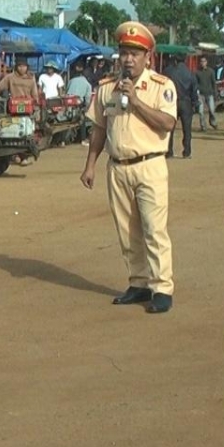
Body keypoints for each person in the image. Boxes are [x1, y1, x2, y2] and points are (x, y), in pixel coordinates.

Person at [79, 21, 178, 315]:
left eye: (136, 53)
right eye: (124, 52)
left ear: (148, 57)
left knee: (153, 229)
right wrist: (90, 166)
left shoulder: (162, 86)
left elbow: (168, 124)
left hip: (150, 165)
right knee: (126, 230)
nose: (128, 59)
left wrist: (135, 101)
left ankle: (162, 288)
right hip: (118, 167)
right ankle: (138, 283)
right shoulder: (107, 88)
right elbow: (99, 127)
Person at [165, 56, 198, 159]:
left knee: (170, 128)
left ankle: (169, 151)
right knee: (187, 129)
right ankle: (187, 152)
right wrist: (194, 103)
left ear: (175, 60)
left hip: (172, 102)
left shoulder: (168, 72)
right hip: (186, 102)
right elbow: (194, 90)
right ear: (185, 60)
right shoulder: (190, 73)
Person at [67, 62, 93, 144]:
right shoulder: (88, 84)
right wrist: (87, 108)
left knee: (66, 121)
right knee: (82, 121)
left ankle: (63, 141)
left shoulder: (71, 80)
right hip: (77, 104)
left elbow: (67, 90)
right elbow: (88, 99)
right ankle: (83, 139)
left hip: (67, 103)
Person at [194, 56, 217, 130]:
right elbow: (195, 83)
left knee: (212, 110)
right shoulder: (197, 72)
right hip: (200, 94)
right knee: (201, 112)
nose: (202, 63)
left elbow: (214, 83)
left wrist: (215, 93)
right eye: (201, 61)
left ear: (206, 62)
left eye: (204, 61)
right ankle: (203, 126)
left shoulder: (211, 71)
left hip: (209, 94)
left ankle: (213, 122)